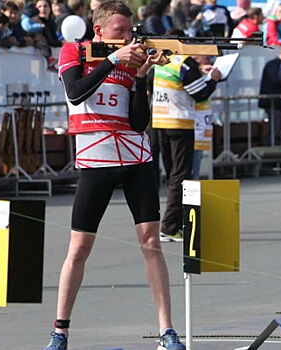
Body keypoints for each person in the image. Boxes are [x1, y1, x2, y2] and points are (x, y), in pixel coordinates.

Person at [45, 1, 185, 349]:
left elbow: (139, 122)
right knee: (79, 248)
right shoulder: (74, 51)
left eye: (130, 31)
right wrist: (111, 60)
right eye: (120, 32)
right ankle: (59, 332)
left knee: (151, 243)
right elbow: (76, 94)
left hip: (137, 157)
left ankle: (167, 330)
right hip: (96, 158)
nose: (128, 38)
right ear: (100, 31)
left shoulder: (133, 60)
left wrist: (139, 79)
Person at [152, 34, 221, 242]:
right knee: (180, 176)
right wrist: (214, 80)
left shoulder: (161, 60)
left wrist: (199, 72)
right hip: (179, 123)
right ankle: (170, 227)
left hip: (160, 121)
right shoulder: (184, 63)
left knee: (173, 174)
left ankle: (172, 223)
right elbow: (199, 93)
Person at [191, 55, 216, 179]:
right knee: (191, 171)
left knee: (195, 168)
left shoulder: (200, 73)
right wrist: (214, 80)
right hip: (193, 127)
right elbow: (202, 94)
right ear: (196, 58)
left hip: (201, 126)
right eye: (207, 58)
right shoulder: (190, 74)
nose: (210, 62)